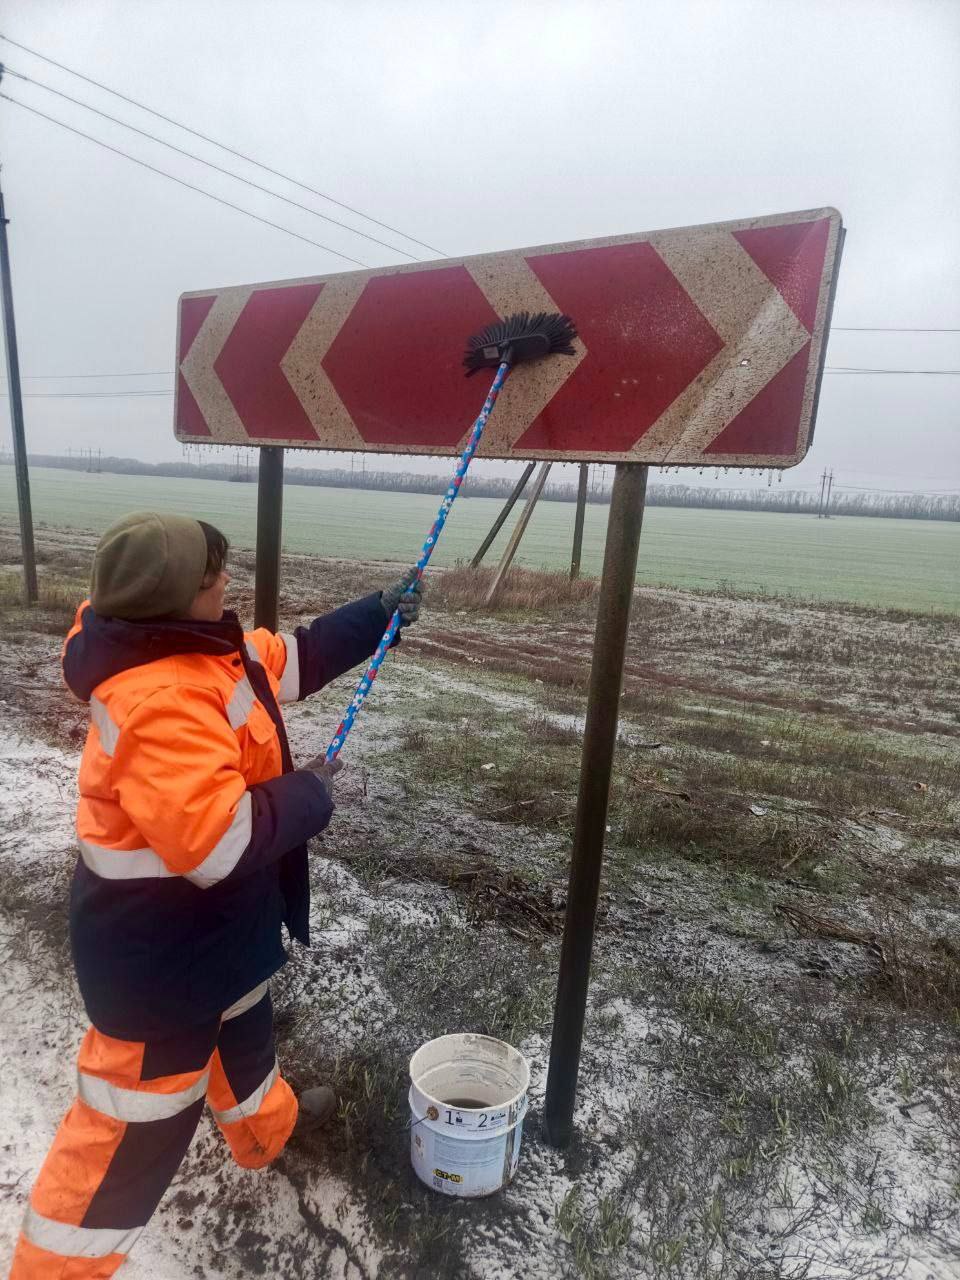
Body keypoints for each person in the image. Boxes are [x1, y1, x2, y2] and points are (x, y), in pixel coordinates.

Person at [9, 511, 423, 1279]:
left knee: (243, 1030)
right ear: (175, 596)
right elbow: (216, 841)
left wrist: (377, 615)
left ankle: (264, 1132)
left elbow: (289, 660)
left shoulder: (204, 650)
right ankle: (51, 1267)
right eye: (213, 574)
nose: (227, 581)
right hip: (159, 960)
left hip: (219, 931)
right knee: (126, 1135)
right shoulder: (156, 698)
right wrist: (309, 797)